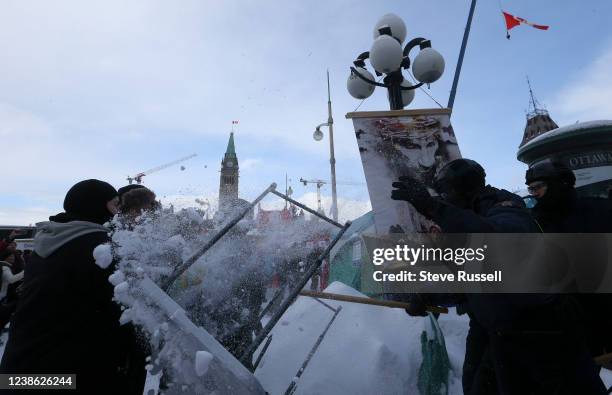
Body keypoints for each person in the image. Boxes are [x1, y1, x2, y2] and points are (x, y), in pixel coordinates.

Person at [392, 158, 606, 395]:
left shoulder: (504, 207)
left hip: (545, 334)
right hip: (502, 334)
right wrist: (428, 297)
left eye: (446, 193)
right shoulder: (468, 218)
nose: (444, 199)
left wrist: (434, 207)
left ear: (462, 189)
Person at [0, 179, 140, 395]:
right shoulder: (98, 247)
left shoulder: (50, 242)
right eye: (114, 205)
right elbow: (125, 308)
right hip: (65, 374)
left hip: (20, 370)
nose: (117, 213)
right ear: (98, 207)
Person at [526, 161, 612, 365]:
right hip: (570, 321)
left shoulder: (600, 210)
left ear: (560, 183)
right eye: (531, 188)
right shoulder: (535, 222)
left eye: (538, 187)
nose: (534, 193)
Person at [0, 250, 24, 329]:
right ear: (6, 257)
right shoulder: (5, 267)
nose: (12, 258)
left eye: (13, 256)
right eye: (10, 256)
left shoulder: (3, 265)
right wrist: (24, 272)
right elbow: (11, 279)